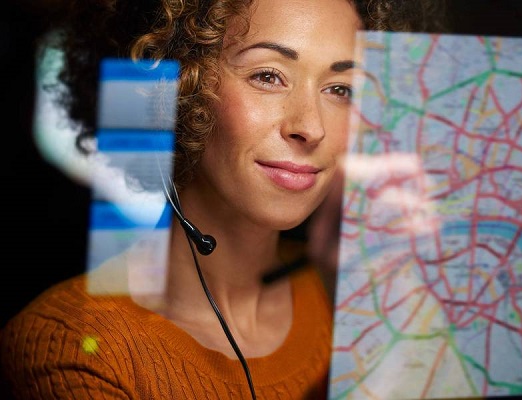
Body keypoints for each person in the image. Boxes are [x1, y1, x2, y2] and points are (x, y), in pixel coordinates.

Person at [0, 0, 446, 398]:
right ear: (175, 91)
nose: (311, 127)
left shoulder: (363, 299)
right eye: (268, 76)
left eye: (341, 89)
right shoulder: (73, 346)